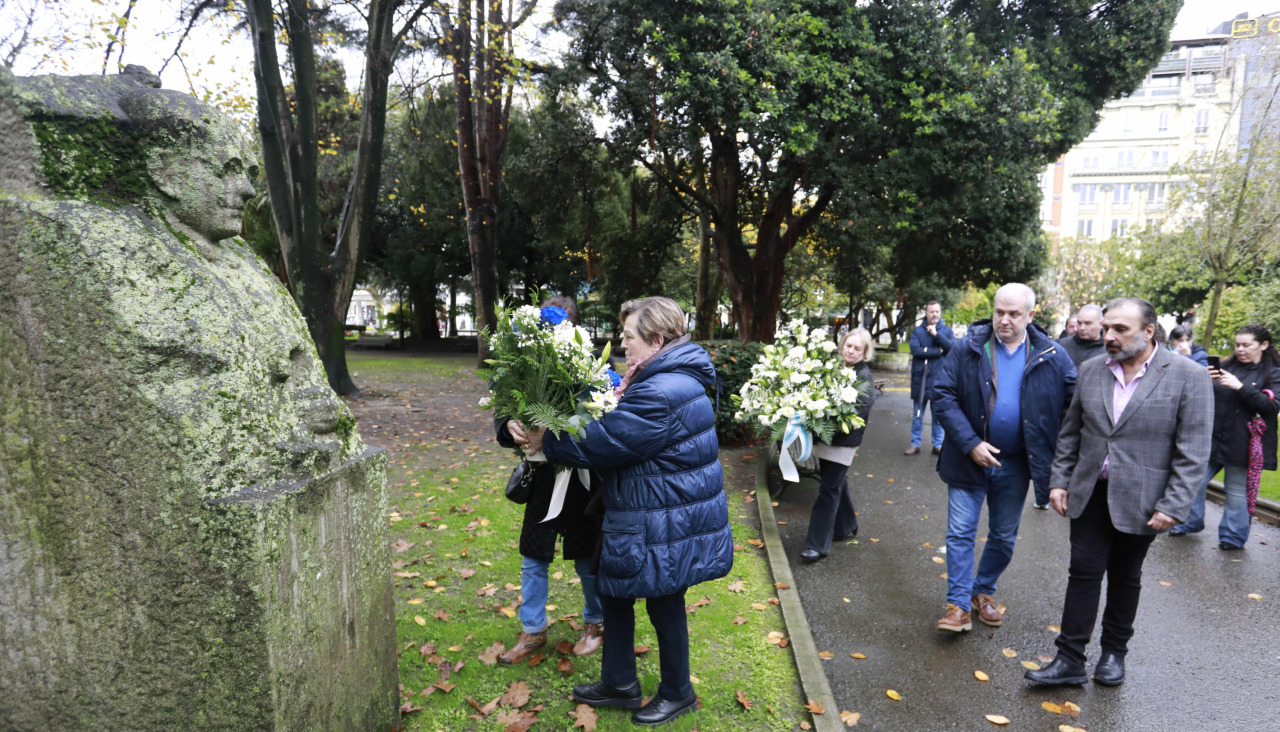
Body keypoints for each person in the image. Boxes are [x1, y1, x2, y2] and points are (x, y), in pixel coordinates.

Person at [519, 297, 733, 726]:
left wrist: (550, 440)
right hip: (648, 511)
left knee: (664, 602)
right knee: (614, 592)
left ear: (656, 340)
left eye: (629, 337)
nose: (622, 344)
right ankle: (619, 682)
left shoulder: (660, 390)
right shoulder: (661, 376)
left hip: (664, 518)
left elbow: (608, 442)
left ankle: (678, 692)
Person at [1026, 297, 1212, 687]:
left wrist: (1175, 505)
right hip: (1090, 491)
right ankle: (1070, 658)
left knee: (1126, 576)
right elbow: (1071, 433)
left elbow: (1193, 449)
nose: (1109, 336)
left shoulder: (1187, 376)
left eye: (1119, 329)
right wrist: (1058, 480)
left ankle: (1113, 654)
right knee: (1083, 573)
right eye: (1106, 328)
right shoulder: (1092, 370)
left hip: (1144, 500)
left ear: (1148, 331)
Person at [931, 284, 1076, 632]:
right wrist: (970, 443)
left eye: (1013, 314)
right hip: (968, 458)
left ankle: (982, 590)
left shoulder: (1053, 355)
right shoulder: (968, 348)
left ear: (1031, 315)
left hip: (1015, 464)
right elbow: (942, 394)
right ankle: (958, 605)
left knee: (1003, 537)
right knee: (961, 533)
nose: (1004, 320)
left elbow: (1075, 404)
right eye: (999, 312)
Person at [493, 296, 604, 664]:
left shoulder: (595, 365)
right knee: (533, 554)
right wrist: (508, 425)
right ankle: (533, 630)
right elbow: (506, 404)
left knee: (586, 556)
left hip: (583, 477)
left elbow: (607, 417)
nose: (551, 331)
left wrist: (559, 438)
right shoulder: (525, 361)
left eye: (559, 326)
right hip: (542, 476)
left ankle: (595, 623)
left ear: (573, 327)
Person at [1170, 324, 1280, 548]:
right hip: (1212, 438)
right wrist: (1205, 380)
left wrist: (1241, 387)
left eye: (1246, 345)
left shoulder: (1273, 373)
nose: (1240, 349)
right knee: (1194, 482)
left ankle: (1232, 537)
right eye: (1237, 344)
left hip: (1244, 442)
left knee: (1236, 491)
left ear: (1264, 345)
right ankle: (1190, 522)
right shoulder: (1226, 365)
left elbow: (1273, 406)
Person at [800, 328, 878, 563]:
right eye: (848, 346)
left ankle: (816, 545)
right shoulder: (834, 368)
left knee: (828, 490)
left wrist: (824, 416)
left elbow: (858, 412)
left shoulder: (864, 377)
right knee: (834, 483)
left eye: (857, 348)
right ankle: (846, 525)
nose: (851, 351)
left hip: (844, 442)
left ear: (865, 353)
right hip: (826, 437)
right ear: (842, 345)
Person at [907, 301, 954, 455]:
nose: (934, 314)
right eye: (931, 311)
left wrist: (936, 335)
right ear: (926, 313)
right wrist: (938, 351)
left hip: (939, 381)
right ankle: (915, 444)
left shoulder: (946, 331)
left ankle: (937, 445)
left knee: (938, 416)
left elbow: (952, 349)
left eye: (937, 311)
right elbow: (916, 351)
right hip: (920, 380)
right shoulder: (917, 332)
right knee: (917, 415)